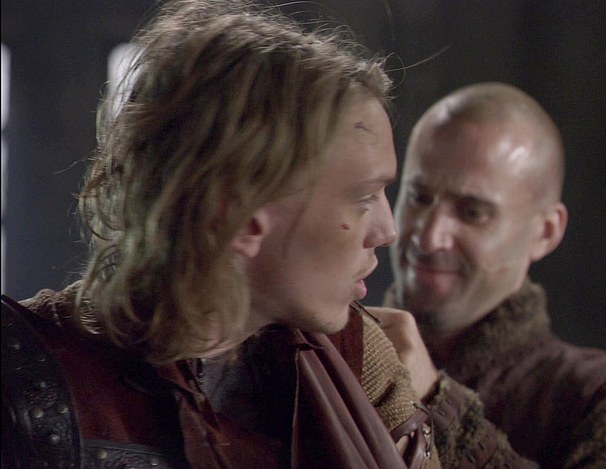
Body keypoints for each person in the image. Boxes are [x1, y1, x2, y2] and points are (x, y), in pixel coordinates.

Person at [0, 3, 535, 467]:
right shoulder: (22, 372)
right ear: (241, 215)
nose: (388, 231)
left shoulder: (356, 358)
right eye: (362, 197)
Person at [384, 81, 606, 468]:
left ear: (546, 232)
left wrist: (437, 404)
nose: (429, 236)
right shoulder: (328, 359)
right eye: (419, 197)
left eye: (472, 212)